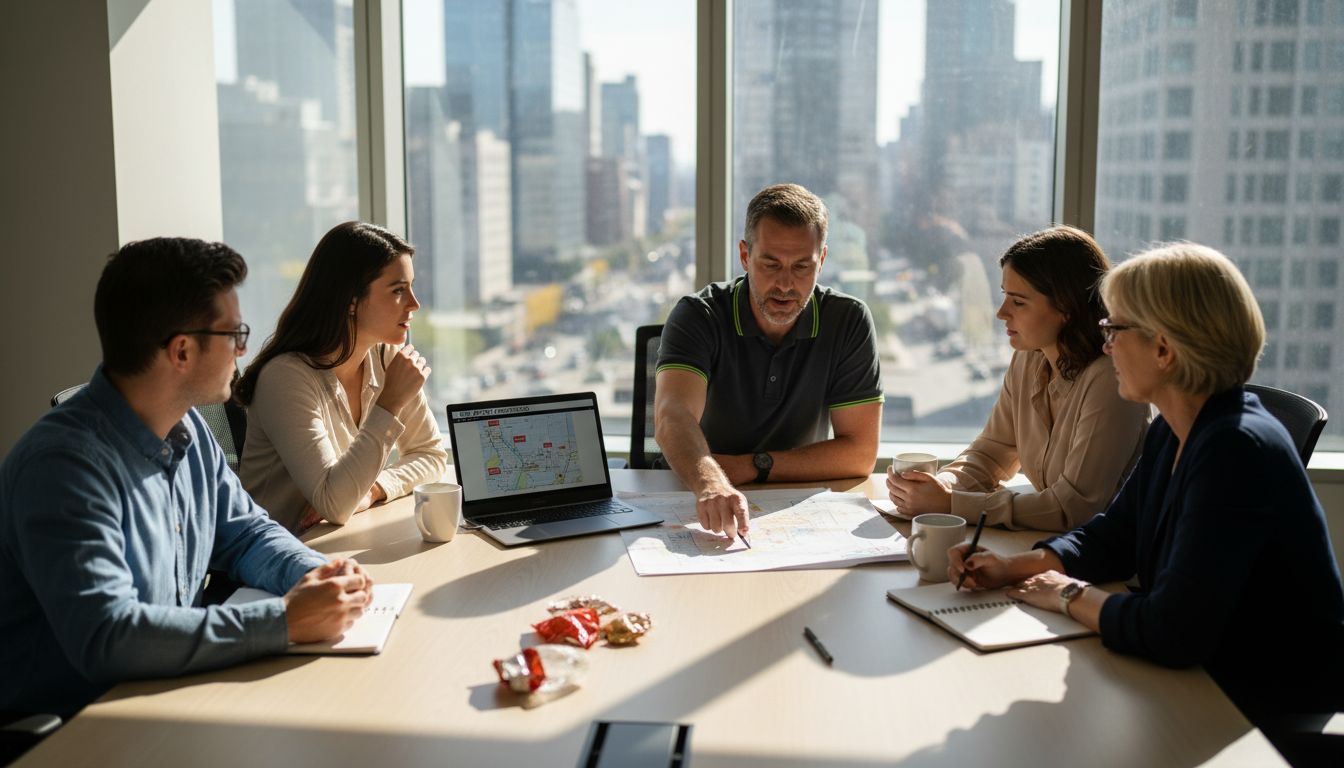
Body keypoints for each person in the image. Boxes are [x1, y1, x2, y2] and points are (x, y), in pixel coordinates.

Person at [948, 243, 1344, 729]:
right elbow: (1112, 535)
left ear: (1163, 348)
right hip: (1203, 673)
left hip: (1255, 698)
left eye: (1114, 330)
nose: (1106, 345)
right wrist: (1014, 567)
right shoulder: (1176, 428)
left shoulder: (1235, 450)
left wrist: (1067, 594)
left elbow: (1171, 631)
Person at [0, 238, 372, 716]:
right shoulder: (63, 468)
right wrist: (283, 620)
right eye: (234, 334)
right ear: (181, 351)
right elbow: (108, 637)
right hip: (75, 728)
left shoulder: (187, 426)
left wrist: (315, 574)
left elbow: (246, 535)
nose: (243, 349)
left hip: (170, 696)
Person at [655, 183, 883, 541]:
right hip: (695, 495)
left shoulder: (848, 320)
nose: (785, 284)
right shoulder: (698, 315)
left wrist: (752, 466)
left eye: (802, 266)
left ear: (821, 261)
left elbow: (859, 453)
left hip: (794, 508)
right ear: (745, 256)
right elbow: (672, 416)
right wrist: (712, 483)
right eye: (771, 264)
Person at [887, 226, 1149, 531]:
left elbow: (1074, 508)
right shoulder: (1029, 357)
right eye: (1004, 296)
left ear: (1066, 307)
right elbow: (992, 452)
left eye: (1018, 302)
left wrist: (950, 503)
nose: (1001, 312)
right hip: (1054, 546)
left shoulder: (1109, 378)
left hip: (1112, 564)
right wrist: (938, 485)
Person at [237, 222, 448, 533]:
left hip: (335, 545)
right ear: (351, 300)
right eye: (398, 290)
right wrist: (390, 404)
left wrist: (374, 489)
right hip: (278, 558)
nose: (414, 304)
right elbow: (334, 504)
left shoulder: (386, 357)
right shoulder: (285, 378)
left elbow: (430, 455)